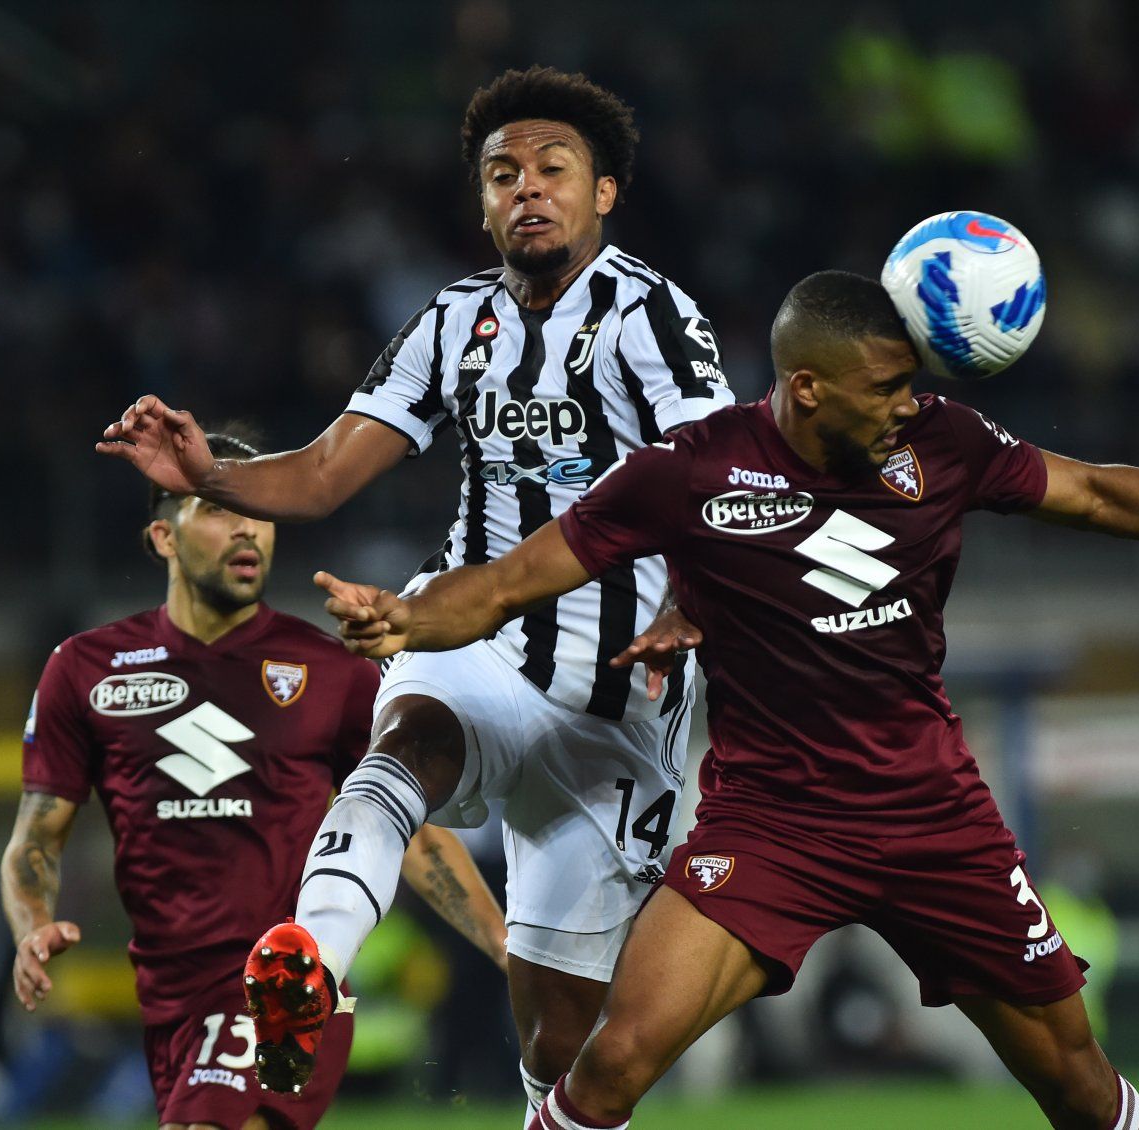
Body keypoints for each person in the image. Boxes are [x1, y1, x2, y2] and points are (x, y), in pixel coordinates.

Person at [311, 270, 1139, 1130]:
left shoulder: (944, 444)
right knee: (610, 1064)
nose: (910, 404)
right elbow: (505, 585)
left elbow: (1099, 489)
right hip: (772, 822)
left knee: (1073, 1081)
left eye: (914, 383)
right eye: (888, 388)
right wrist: (405, 619)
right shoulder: (685, 470)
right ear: (808, 385)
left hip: (933, 817)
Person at [95, 67, 733, 1119]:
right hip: (469, 620)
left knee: (559, 1038)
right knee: (410, 739)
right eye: (500, 173)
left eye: (551, 169)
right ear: (480, 202)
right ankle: (308, 957)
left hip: (622, 679)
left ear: (603, 193)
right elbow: (322, 471)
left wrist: (694, 603)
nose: (524, 188)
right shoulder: (453, 321)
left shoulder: (650, 316)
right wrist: (207, 473)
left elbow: (714, 471)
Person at [0, 431, 508, 1130]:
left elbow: (405, 835)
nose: (246, 528)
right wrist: (30, 925)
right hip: (167, 1000)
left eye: (260, 511)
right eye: (216, 508)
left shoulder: (331, 674)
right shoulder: (85, 669)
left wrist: (507, 947)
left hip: (283, 989)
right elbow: (37, 835)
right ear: (162, 538)